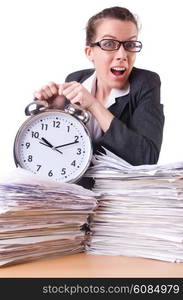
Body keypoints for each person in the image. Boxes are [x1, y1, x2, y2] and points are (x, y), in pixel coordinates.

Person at [34, 6, 164, 166]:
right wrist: (51, 110)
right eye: (109, 44)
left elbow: (146, 157)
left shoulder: (146, 83)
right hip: (74, 186)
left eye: (130, 45)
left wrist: (94, 105)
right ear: (89, 52)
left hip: (118, 188)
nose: (122, 56)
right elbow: (54, 149)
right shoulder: (76, 79)